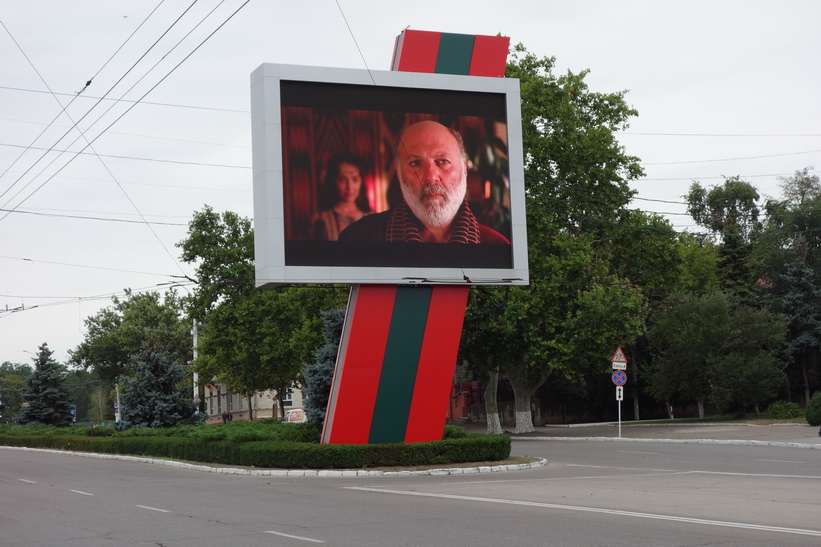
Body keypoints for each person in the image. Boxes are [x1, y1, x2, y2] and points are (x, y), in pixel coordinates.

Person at [338, 120, 509, 244]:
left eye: (443, 161)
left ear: (464, 169)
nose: (430, 177)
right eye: (415, 163)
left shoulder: (497, 247)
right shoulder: (359, 239)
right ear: (399, 173)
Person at [310, 152, 371, 241]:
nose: (349, 187)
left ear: (361, 181)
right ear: (333, 181)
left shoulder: (373, 219)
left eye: (354, 179)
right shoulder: (321, 219)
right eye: (342, 180)